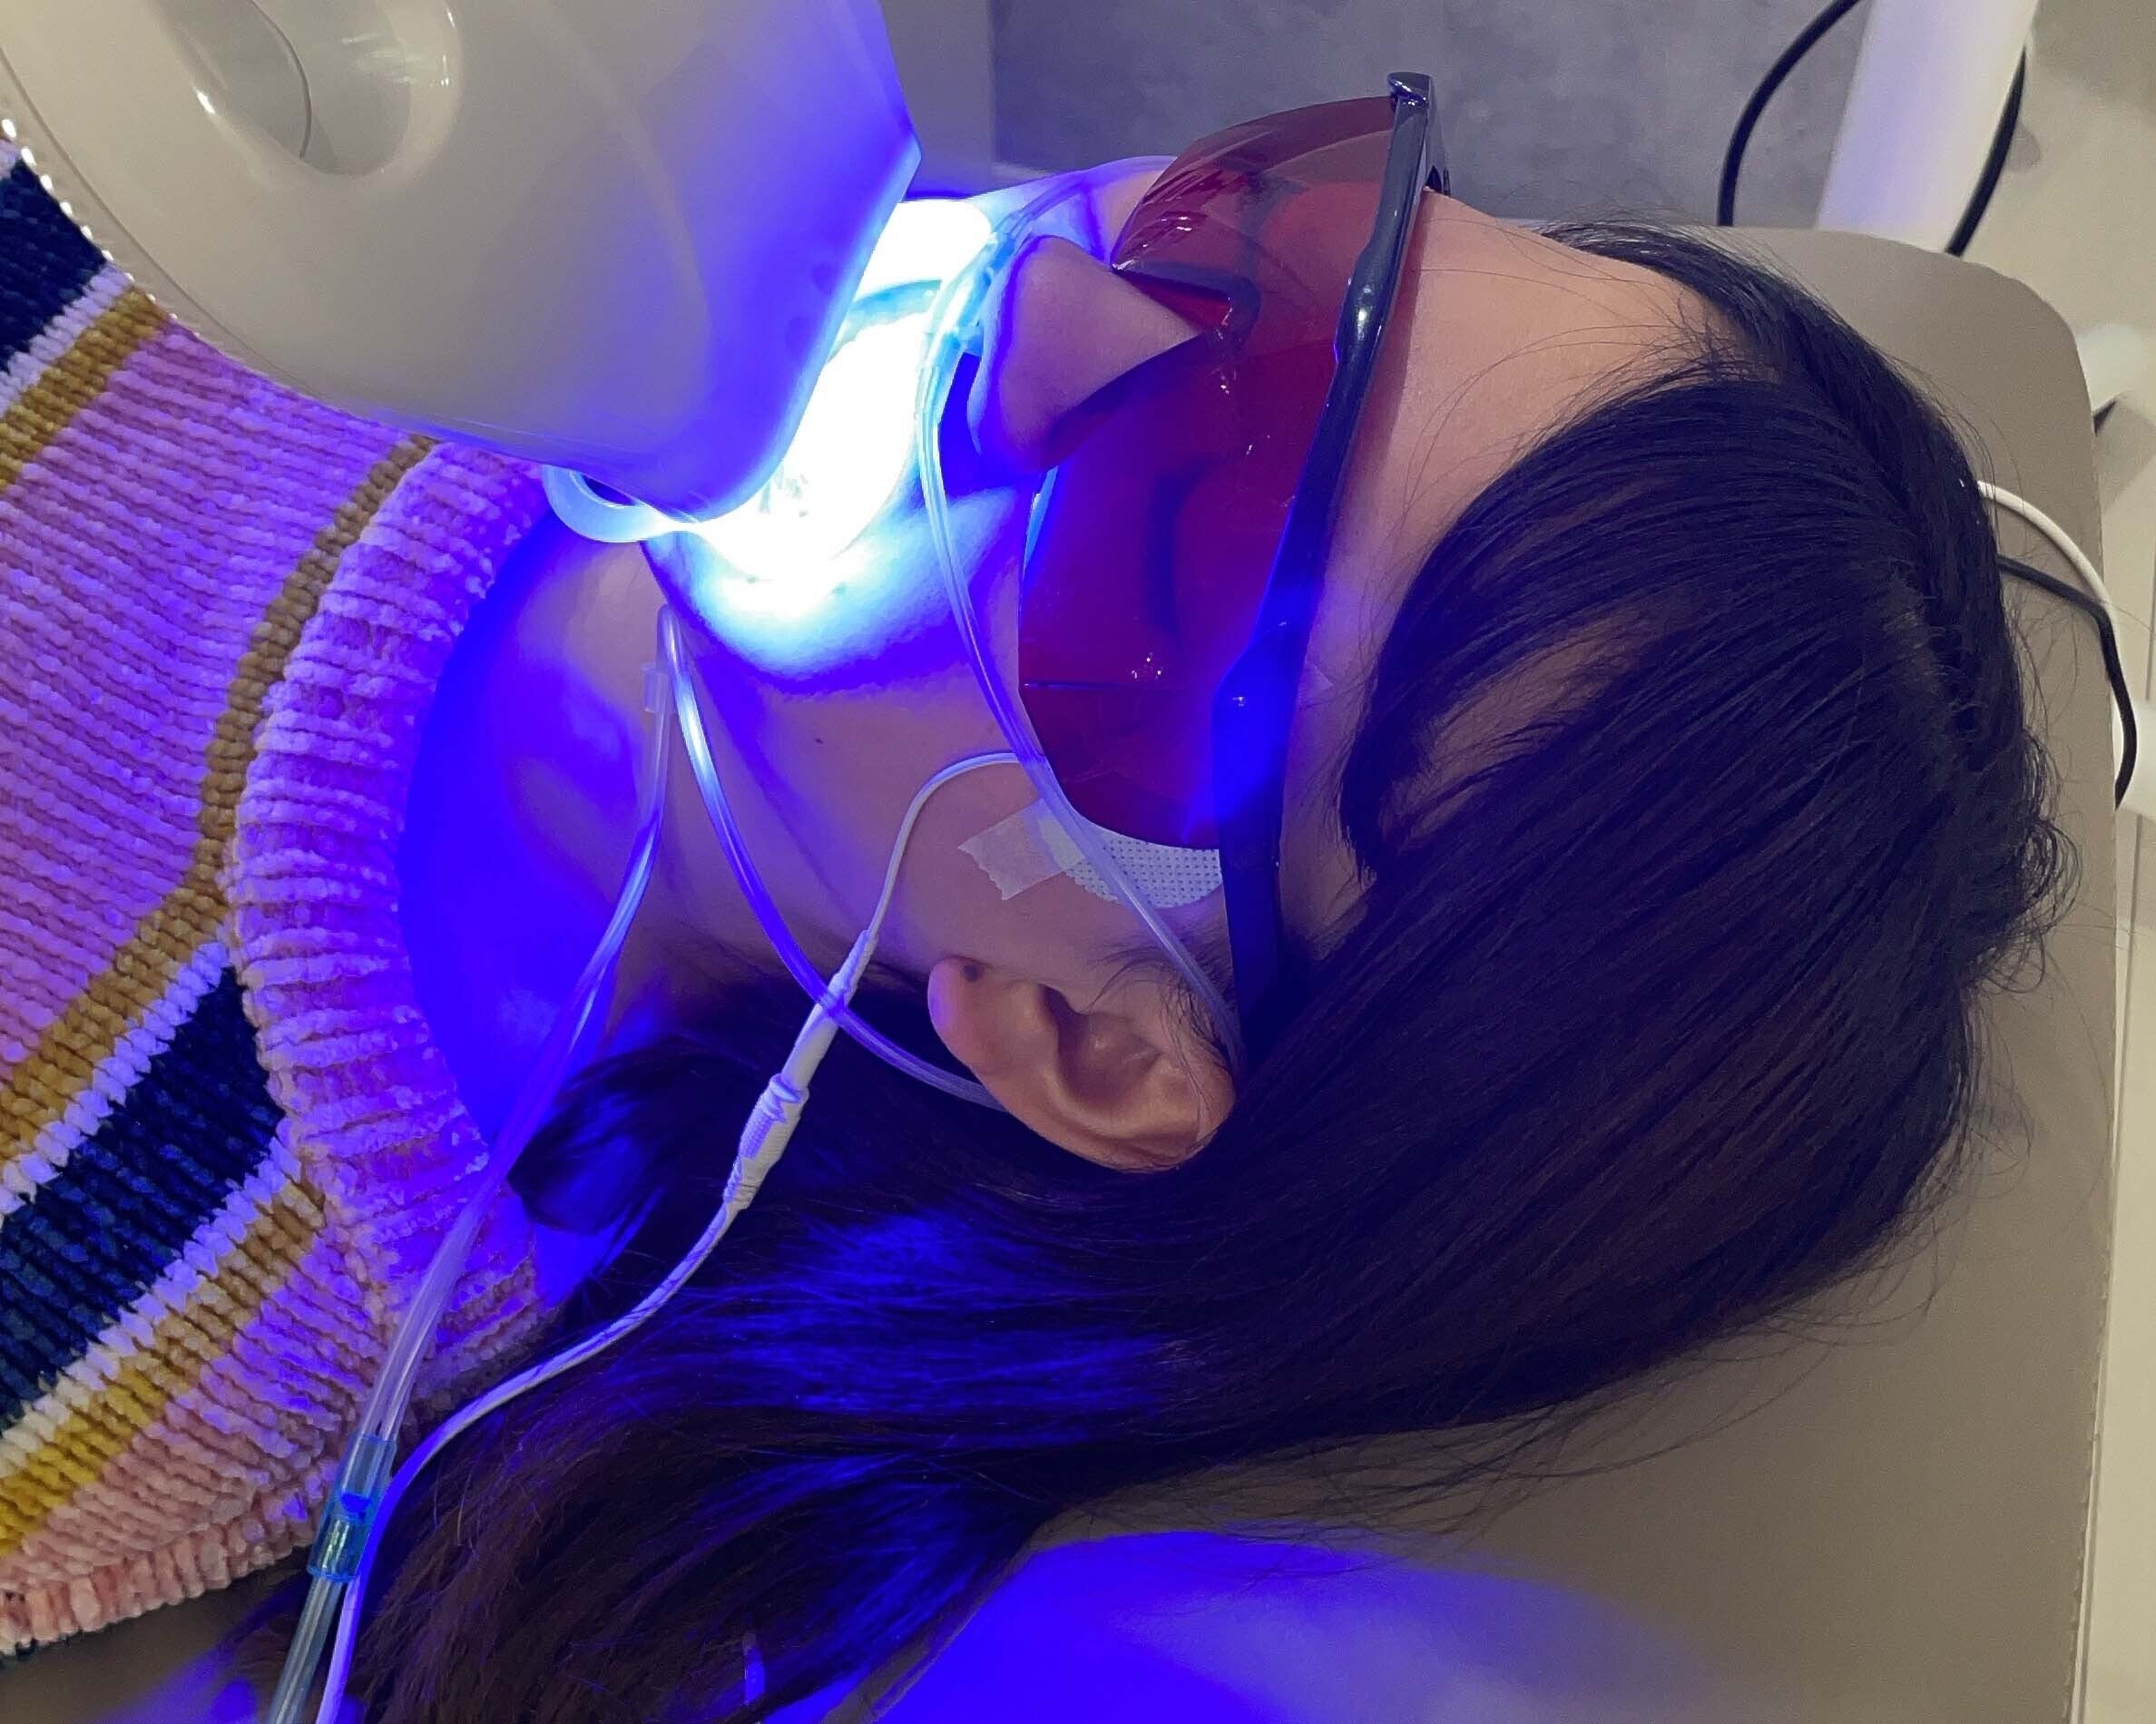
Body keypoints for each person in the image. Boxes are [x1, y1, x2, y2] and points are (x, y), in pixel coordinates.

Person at [0, 88, 2063, 1724]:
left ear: (1097, 1033)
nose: (1049, 294)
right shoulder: (522, 156)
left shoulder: (138, 1346)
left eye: (1191, 533)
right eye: (1280, 231)